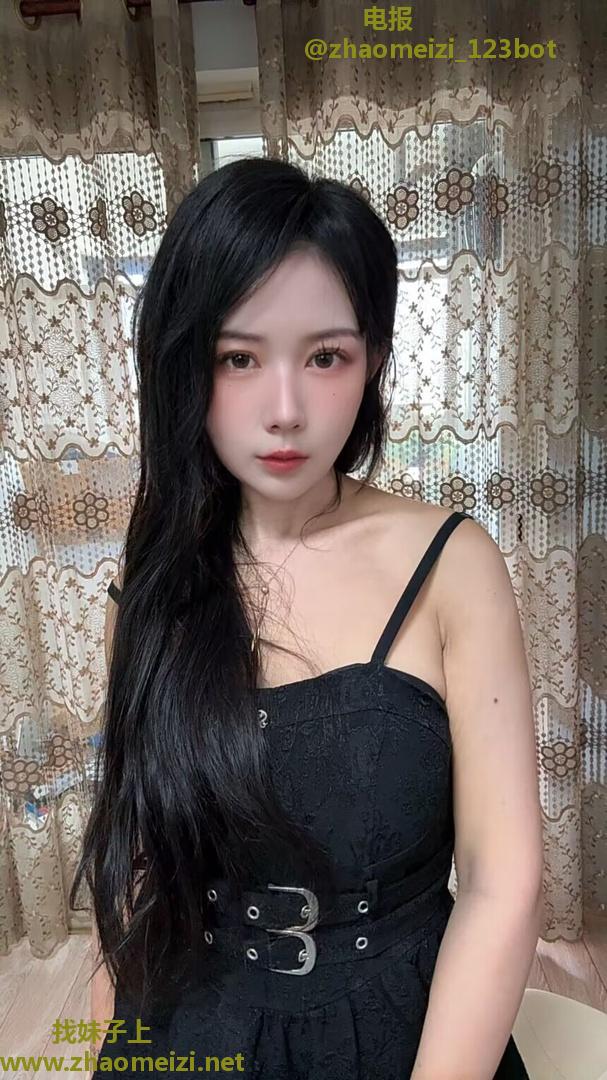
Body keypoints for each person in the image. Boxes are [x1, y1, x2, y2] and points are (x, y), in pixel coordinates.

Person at [70, 157, 543, 1079]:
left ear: (372, 360)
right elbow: (135, 870)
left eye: (325, 357)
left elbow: (502, 884)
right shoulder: (156, 583)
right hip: (189, 1024)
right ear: (184, 364)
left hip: (399, 1031)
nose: (284, 411)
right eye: (237, 358)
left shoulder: (451, 564)